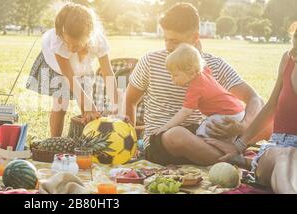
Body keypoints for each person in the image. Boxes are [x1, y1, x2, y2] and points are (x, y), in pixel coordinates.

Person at [124, 3, 265, 166]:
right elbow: (130, 101)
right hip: (162, 140)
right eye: (166, 39)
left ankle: (224, 155)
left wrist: (243, 127)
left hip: (200, 138)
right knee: (176, 134)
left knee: (267, 119)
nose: (168, 46)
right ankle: (236, 162)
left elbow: (254, 98)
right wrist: (131, 144)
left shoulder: (214, 64)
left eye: (175, 41)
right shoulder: (150, 61)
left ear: (195, 37)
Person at [206, 23, 297, 194]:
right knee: (286, 154)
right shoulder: (287, 60)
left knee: (290, 158)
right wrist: (239, 145)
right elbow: (271, 106)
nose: (294, 51)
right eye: (295, 39)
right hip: (277, 147)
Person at [26, 2, 118, 137]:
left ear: (89, 35)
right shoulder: (59, 41)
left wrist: (117, 105)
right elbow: (69, 77)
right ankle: (55, 139)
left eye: (76, 45)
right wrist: (86, 102)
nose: (70, 49)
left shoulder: (98, 41)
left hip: (82, 67)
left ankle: (88, 138)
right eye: (68, 43)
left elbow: (108, 73)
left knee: (87, 104)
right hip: (59, 67)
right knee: (60, 104)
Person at [152, 44, 245, 145]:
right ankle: (228, 144)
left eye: (175, 75)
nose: (172, 78)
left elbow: (185, 112)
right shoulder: (203, 72)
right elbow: (199, 63)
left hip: (226, 114)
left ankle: (212, 152)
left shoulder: (195, 87)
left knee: (201, 133)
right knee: (220, 135)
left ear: (191, 73)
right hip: (237, 109)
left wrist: (166, 126)